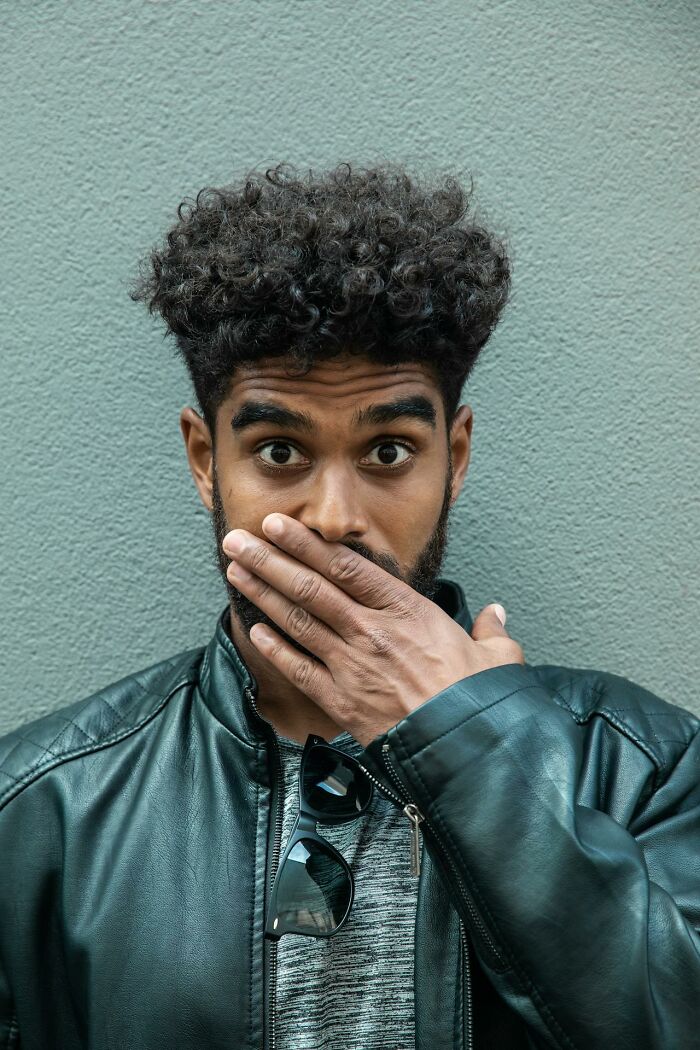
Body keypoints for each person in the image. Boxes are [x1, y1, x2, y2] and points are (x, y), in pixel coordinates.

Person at [1, 162, 698, 1050]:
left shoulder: (649, 768)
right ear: (204, 460)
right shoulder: (37, 809)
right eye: (282, 450)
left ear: (458, 456)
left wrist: (470, 751)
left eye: (389, 452)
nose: (334, 517)